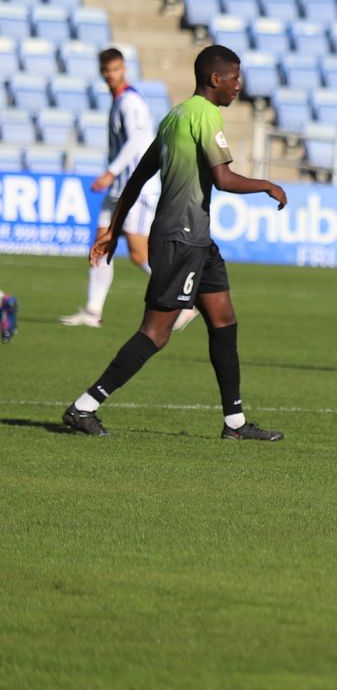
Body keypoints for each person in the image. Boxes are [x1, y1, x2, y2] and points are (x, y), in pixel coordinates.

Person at [61, 45, 288, 440]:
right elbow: (223, 178)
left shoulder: (174, 116)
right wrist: (266, 184)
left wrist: (114, 230)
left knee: (223, 321)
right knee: (155, 333)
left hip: (197, 239)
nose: (239, 86)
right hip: (180, 240)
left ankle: (234, 424)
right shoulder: (204, 115)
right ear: (215, 79)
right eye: (235, 78)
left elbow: (137, 178)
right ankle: (84, 406)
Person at [59, 48, 196, 332]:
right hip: (120, 188)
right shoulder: (119, 100)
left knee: (138, 253)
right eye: (107, 70)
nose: (111, 75)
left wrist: (111, 171)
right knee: (101, 245)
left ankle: (185, 302)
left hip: (135, 188)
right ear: (102, 72)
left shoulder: (130, 102)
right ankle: (93, 310)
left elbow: (138, 140)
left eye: (116, 69)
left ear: (124, 69)